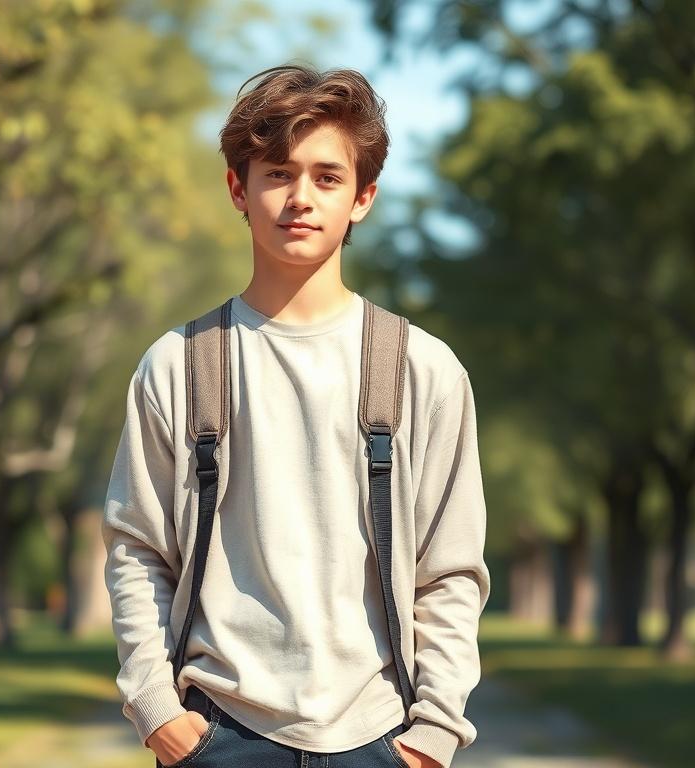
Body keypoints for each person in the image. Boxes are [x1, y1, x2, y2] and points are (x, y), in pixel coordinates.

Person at [102, 62, 491, 768]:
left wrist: (432, 737)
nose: (299, 198)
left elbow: (450, 571)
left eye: (326, 177)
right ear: (238, 189)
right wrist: (158, 708)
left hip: (378, 735)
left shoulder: (422, 370)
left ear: (363, 197)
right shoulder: (178, 364)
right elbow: (136, 549)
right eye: (277, 173)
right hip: (217, 732)